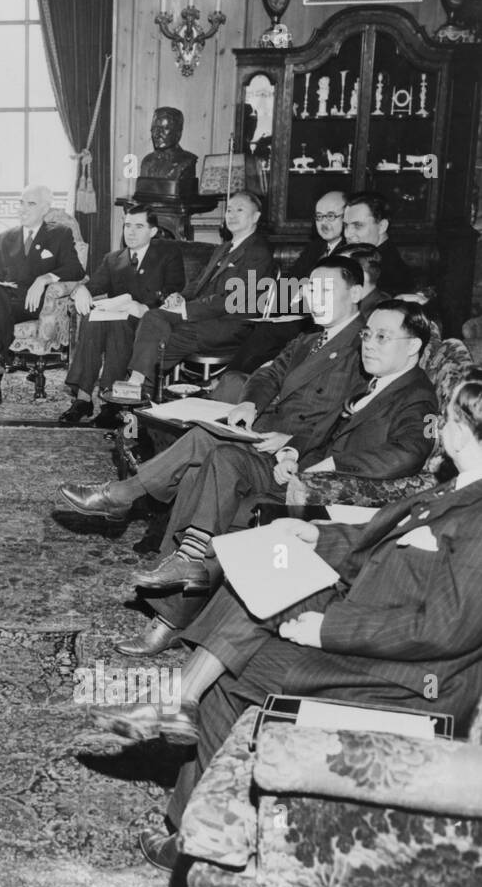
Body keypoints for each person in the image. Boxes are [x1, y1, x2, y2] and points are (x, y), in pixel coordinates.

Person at [136, 366, 482, 872]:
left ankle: (201, 832)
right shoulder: (455, 487)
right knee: (266, 567)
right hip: (373, 617)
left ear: (468, 432)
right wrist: (319, 537)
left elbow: (445, 629)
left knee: (235, 677)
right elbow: (383, 541)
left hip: (407, 678)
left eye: (448, 419)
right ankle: (182, 704)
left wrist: (326, 629)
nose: (440, 429)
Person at [89, 299, 438, 745]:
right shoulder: (372, 380)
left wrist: (328, 467)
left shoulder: (415, 395)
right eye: (367, 334)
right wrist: (294, 451)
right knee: (218, 459)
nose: (368, 343)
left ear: (414, 346)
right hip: (298, 471)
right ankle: (184, 574)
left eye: (382, 337)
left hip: (327, 500)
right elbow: (321, 425)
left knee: (219, 494)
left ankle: (176, 615)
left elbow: (406, 453)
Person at [60, 257, 391, 651]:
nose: (313, 299)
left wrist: (292, 442)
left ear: (356, 292)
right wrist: (250, 403)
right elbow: (269, 373)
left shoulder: (364, 346)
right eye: (309, 289)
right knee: (200, 458)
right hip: (266, 435)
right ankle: (170, 605)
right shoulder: (309, 338)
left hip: (299, 460)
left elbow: (349, 419)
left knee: (209, 451)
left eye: (326, 290)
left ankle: (124, 499)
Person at [109, 191, 276, 398]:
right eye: (229, 210)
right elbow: (198, 283)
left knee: (156, 340)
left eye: (239, 210)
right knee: (153, 321)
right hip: (204, 317)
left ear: (256, 217)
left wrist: (186, 310)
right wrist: (180, 297)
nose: (231, 215)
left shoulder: (258, 252)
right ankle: (139, 389)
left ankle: (136, 389)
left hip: (229, 324)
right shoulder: (223, 248)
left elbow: (232, 299)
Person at [61, 205, 184, 428]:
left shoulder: (167, 254)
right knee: (91, 319)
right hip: (119, 318)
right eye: (127, 226)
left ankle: (112, 402)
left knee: (118, 324)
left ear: (153, 231)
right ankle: (83, 398)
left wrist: (145, 306)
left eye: (139, 226)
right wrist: (82, 290)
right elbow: (95, 285)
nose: (131, 232)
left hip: (149, 321)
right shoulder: (113, 259)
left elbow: (174, 288)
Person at [0, 183, 85, 407]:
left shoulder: (60, 234)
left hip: (35, 304)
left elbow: (76, 269)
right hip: (3, 301)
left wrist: (44, 279)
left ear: (45, 208)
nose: (23, 209)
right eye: (21, 203)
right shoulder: (4, 238)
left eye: (31, 204)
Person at [222, 191, 347, 375]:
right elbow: (291, 282)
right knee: (262, 327)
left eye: (330, 216)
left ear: (346, 217)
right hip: (296, 314)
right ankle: (234, 380)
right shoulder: (316, 246)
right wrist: (272, 307)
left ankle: (229, 379)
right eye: (319, 217)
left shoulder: (347, 252)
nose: (324, 223)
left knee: (268, 334)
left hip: (317, 322)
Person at [342, 191, 414, 296]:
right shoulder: (369, 260)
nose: (347, 234)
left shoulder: (388, 274)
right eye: (345, 225)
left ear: (382, 226)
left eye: (357, 226)